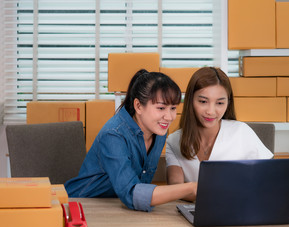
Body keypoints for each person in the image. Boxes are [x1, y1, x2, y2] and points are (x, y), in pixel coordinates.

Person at [65, 69, 197, 212]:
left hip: (120, 208)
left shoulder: (159, 131)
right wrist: (190, 188)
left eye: (173, 108)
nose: (169, 117)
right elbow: (131, 193)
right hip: (84, 205)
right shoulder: (113, 135)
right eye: (161, 108)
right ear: (138, 106)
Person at [166, 67, 273, 187]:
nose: (211, 111)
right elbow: (175, 187)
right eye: (203, 101)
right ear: (190, 100)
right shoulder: (174, 141)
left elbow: (271, 178)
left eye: (220, 103)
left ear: (228, 103)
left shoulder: (241, 132)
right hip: (194, 206)